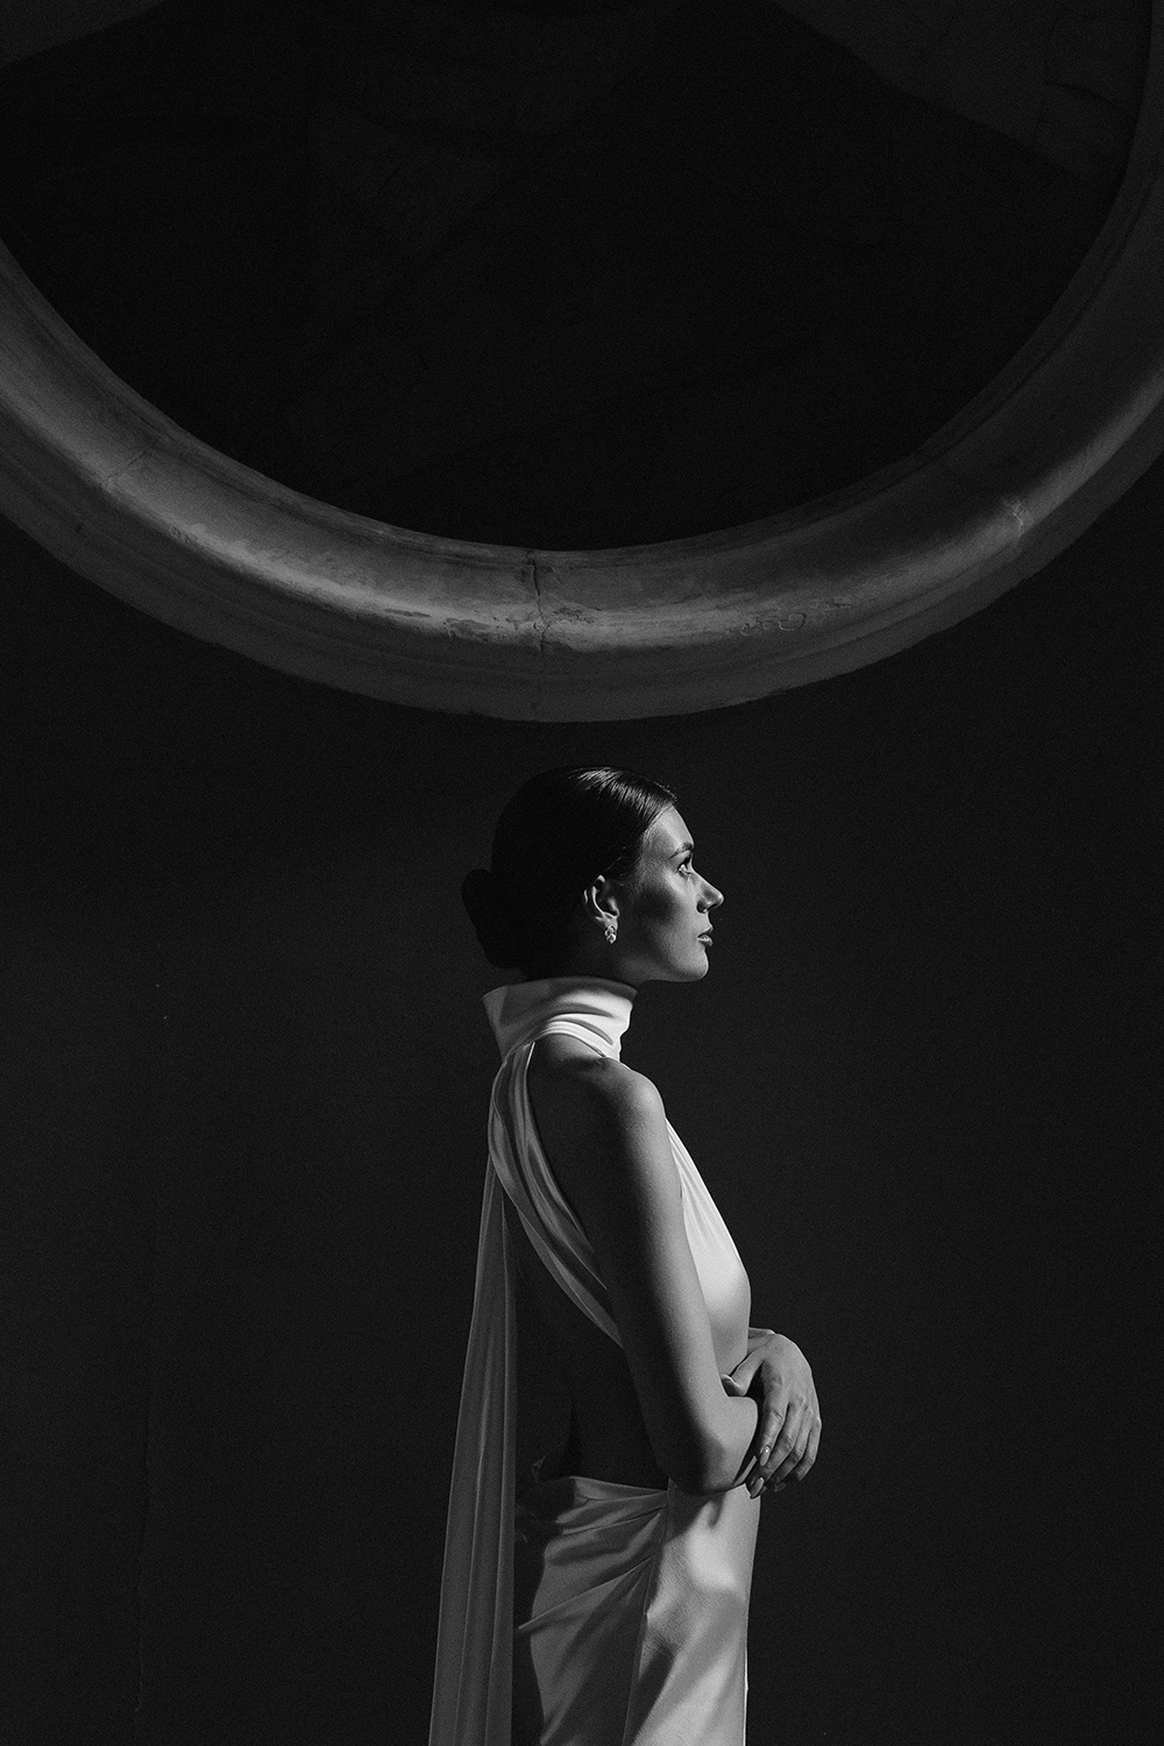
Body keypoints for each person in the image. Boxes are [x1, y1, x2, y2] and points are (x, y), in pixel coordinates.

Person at [430, 766, 821, 1746]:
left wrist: (772, 1347)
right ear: (604, 899)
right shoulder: (607, 1100)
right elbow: (698, 1449)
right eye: (683, 865)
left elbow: (638, 1335)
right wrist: (788, 1394)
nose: (710, 892)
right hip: (650, 1597)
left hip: (635, 1582)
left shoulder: (538, 1077)